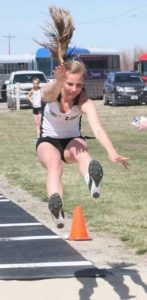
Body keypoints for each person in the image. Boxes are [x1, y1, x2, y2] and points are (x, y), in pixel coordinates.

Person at [36, 6, 129, 229]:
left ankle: (92, 179)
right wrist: (59, 82)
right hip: (48, 141)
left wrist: (112, 152)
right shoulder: (52, 89)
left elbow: (97, 129)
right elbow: (48, 94)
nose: (74, 89)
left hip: (71, 141)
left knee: (81, 148)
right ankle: (56, 207)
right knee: (54, 164)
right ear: (63, 80)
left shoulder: (84, 101)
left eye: (79, 85)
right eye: (70, 84)